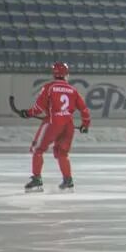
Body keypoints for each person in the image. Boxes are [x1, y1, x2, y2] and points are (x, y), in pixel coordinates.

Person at [19, 61, 90, 192]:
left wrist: (27, 113)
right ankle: (68, 181)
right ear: (66, 74)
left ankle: (36, 180)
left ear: (54, 74)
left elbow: (38, 108)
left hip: (52, 122)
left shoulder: (49, 87)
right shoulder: (73, 90)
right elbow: (84, 110)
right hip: (68, 124)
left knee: (38, 149)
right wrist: (85, 124)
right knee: (62, 153)